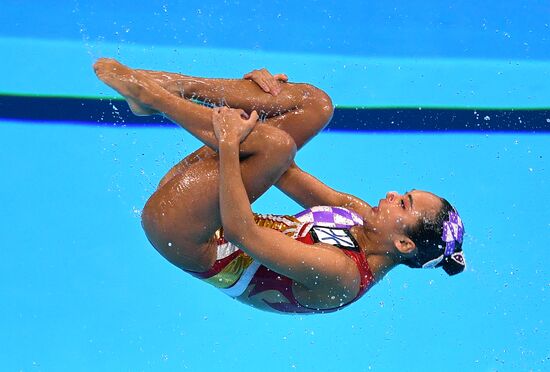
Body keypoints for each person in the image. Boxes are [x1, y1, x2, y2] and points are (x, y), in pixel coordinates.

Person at [94, 58, 466, 314]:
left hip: (184, 236)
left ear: (404, 244)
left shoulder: (342, 275)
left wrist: (228, 143)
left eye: (402, 204)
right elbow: (282, 169)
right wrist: (258, 103)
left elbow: (242, 232)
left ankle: (155, 98)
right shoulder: (359, 217)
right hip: (205, 204)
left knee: (274, 145)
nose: (390, 195)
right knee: (316, 105)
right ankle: (179, 87)